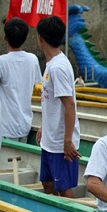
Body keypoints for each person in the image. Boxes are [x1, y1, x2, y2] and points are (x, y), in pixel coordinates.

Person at [35, 16, 81, 198]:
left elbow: (69, 105)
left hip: (60, 142)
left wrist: (67, 140)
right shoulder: (51, 64)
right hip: (50, 138)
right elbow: (51, 103)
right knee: (47, 182)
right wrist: (43, 127)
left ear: (40, 38)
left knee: (64, 187)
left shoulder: (58, 68)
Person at [0, 17, 42, 147]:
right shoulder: (32, 59)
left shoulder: (2, 62)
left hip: (5, 127)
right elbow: (38, 85)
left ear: (5, 38)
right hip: (24, 125)